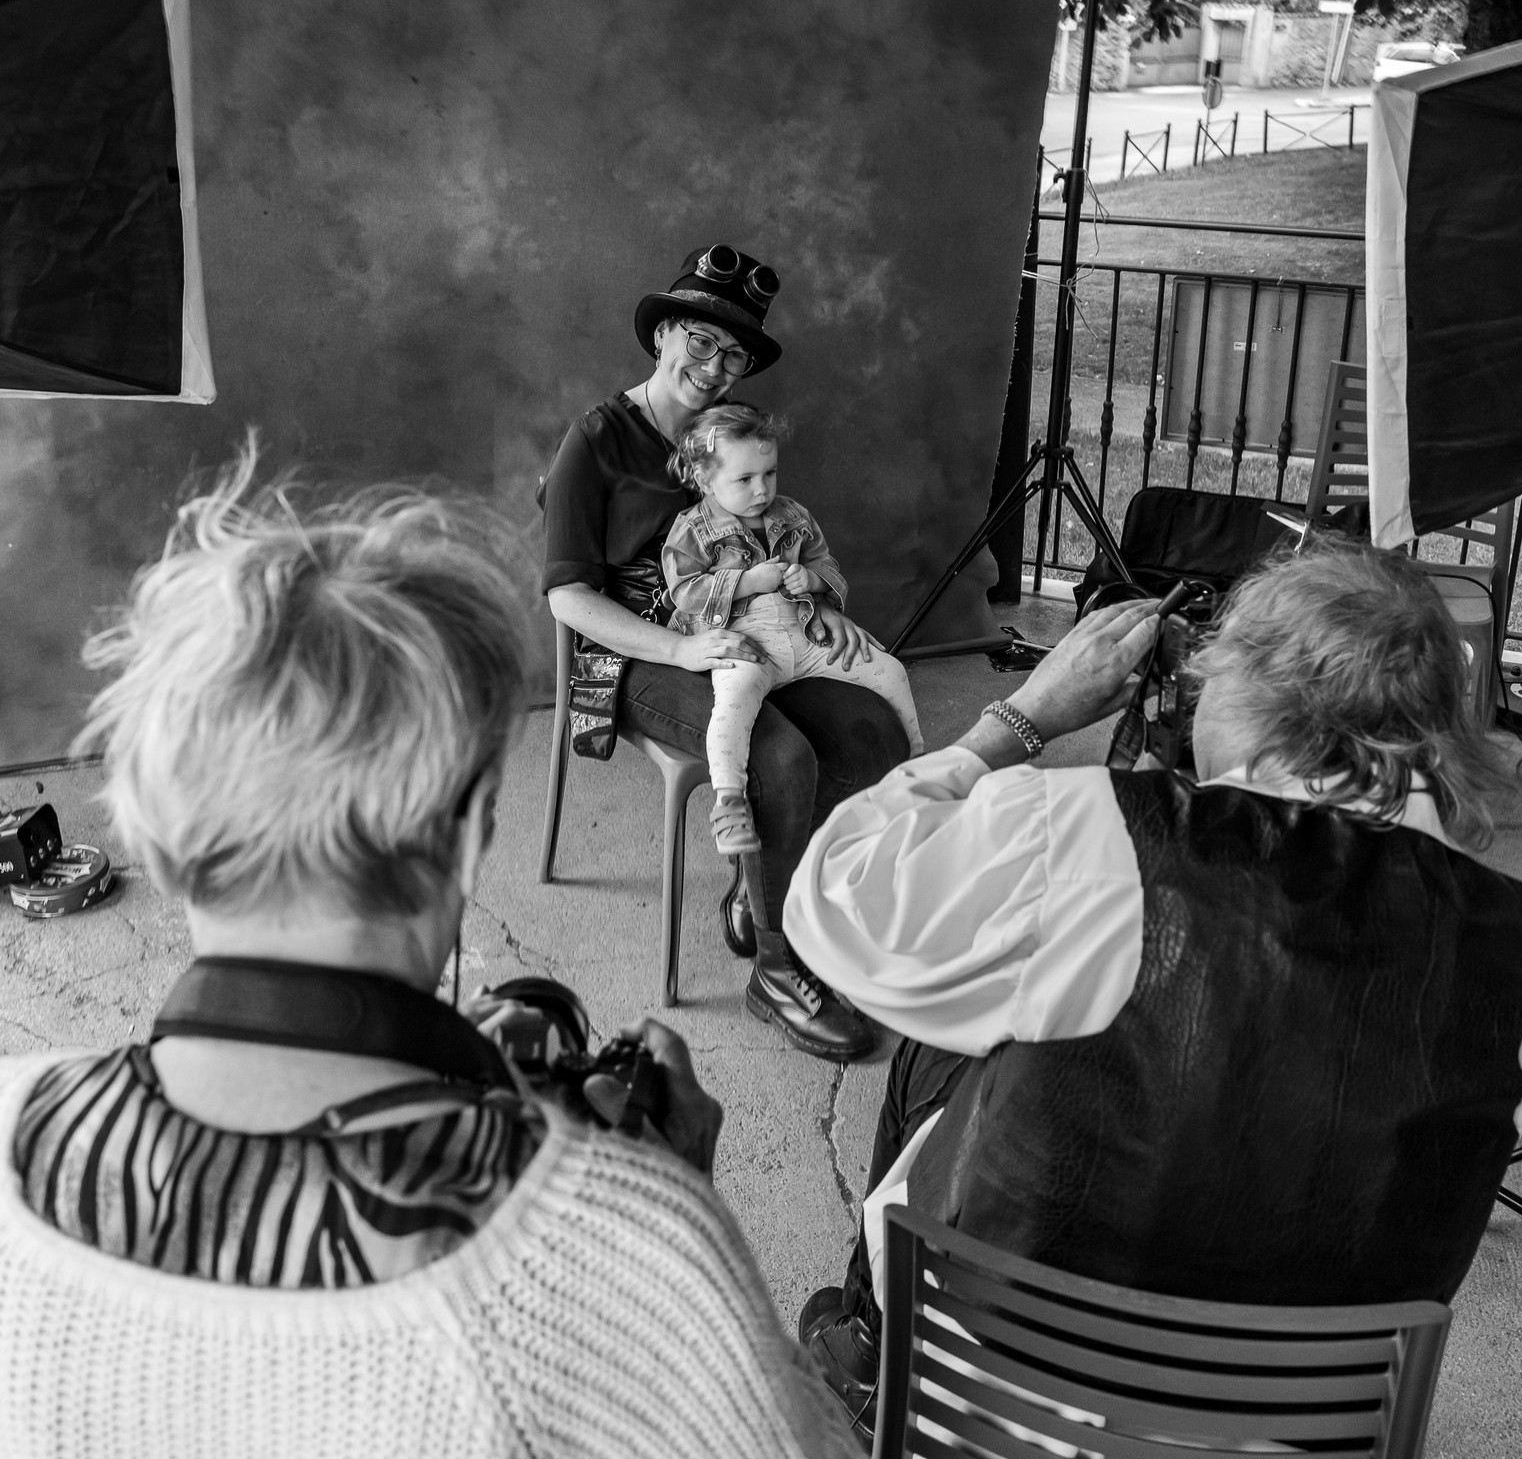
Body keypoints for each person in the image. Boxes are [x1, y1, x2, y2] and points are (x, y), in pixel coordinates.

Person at [0, 451, 862, 1459]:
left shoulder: (16, 1108)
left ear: (156, 823)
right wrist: (678, 1218)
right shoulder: (606, 1234)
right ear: (465, 836)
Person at [784, 543, 1522, 1437]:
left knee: (954, 1016)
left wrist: (1021, 719)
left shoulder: (1097, 837)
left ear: (1255, 690)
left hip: (1005, 1390)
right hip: (1299, 1426)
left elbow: (832, 896)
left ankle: (871, 1346)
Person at [540, 244, 909, 1061]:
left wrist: (818, 606)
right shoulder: (595, 441)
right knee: (777, 756)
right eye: (701, 342)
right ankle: (777, 972)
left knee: (871, 729)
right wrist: (679, 646)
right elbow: (568, 595)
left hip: (759, 638)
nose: (715, 366)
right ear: (665, 332)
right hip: (638, 656)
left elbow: (785, 540)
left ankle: (768, 896)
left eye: (734, 353)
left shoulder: (731, 440)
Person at [662, 401, 924, 856]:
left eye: (770, 473)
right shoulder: (693, 530)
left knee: (887, 670)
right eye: (744, 480)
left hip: (805, 635)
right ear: (706, 481)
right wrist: (745, 581)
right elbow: (684, 590)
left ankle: (919, 767)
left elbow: (824, 560)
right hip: (746, 643)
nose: (762, 489)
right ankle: (729, 803)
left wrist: (816, 581)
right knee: (732, 704)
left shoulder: (793, 516)